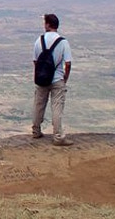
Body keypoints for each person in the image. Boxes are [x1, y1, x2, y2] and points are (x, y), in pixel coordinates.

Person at [31, 13, 74, 146]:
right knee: (57, 108)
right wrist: (64, 77)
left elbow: (35, 61)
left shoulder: (39, 40)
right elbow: (68, 63)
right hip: (57, 80)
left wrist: (40, 74)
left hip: (42, 79)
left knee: (38, 105)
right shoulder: (63, 42)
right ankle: (58, 137)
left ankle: (36, 131)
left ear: (48, 24)